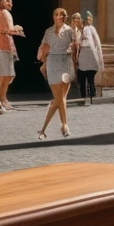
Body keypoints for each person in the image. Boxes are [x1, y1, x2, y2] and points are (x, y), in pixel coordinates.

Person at [37, 8, 75, 139]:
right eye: (58, 15)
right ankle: (60, 126)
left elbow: (77, 43)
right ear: (53, 17)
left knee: (60, 98)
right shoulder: (48, 31)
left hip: (65, 62)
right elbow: (42, 47)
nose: (60, 17)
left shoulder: (70, 30)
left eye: (63, 15)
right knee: (59, 99)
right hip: (52, 63)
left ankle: (59, 126)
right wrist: (42, 53)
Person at [0, 0, 23, 115]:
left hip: (1, 48)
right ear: (1, 2)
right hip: (1, 48)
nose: (10, 2)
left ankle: (2, 100)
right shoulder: (2, 13)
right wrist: (18, 30)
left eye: (10, 0)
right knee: (3, 77)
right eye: (7, 0)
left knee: (5, 76)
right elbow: (5, 30)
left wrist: (15, 29)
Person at [71, 11, 104, 106]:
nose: (77, 20)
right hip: (80, 57)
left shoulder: (90, 28)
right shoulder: (74, 30)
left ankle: (90, 95)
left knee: (90, 77)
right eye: (75, 19)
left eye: (78, 18)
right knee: (81, 78)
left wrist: (99, 58)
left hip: (90, 56)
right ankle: (83, 97)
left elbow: (97, 42)